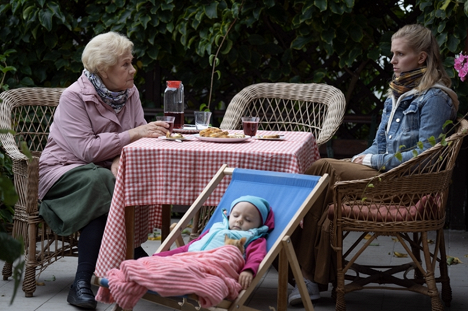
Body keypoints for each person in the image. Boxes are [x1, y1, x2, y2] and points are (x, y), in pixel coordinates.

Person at [288, 24, 459, 306]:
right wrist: (360, 158)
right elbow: (380, 143)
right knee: (324, 188)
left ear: (422, 57)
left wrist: (370, 160)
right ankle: (309, 277)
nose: (392, 60)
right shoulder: (397, 93)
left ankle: (303, 272)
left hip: (404, 185)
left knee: (320, 170)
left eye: (400, 54)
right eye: (392, 53)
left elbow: (425, 156)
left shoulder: (435, 98)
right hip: (382, 174)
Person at [38, 32, 171, 309]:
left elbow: (141, 139)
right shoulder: (74, 97)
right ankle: (130, 257)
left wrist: (117, 157)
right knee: (102, 182)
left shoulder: (129, 92)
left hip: (100, 175)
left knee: (109, 181)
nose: (133, 70)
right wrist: (127, 141)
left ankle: (84, 281)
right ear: (103, 69)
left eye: (131, 62)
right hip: (63, 173)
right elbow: (85, 149)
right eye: (125, 64)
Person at [153, 195, 275, 289]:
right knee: (159, 264)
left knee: (180, 271)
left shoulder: (254, 238)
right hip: (190, 259)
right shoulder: (216, 227)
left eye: (248, 219)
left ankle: (174, 276)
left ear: (259, 225)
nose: (239, 221)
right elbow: (190, 246)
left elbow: (256, 257)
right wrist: (160, 256)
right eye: (236, 215)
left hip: (214, 268)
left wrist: (248, 270)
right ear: (229, 215)